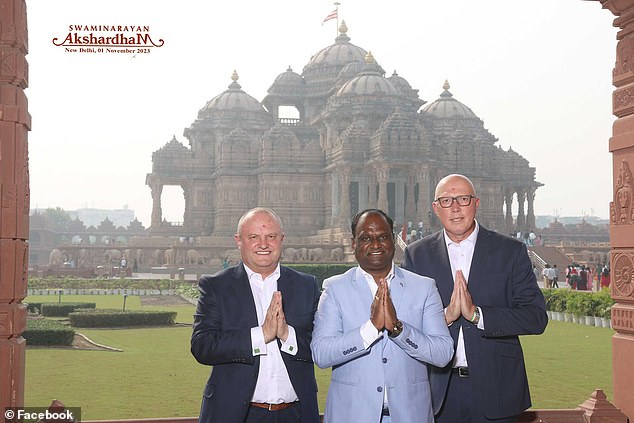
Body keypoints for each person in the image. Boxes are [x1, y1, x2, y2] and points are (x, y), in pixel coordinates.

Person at [401, 174, 547, 423]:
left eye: (463, 199)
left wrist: (477, 315)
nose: (455, 208)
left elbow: (535, 317)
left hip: (497, 389)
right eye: (446, 201)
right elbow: (404, 325)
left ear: (476, 203)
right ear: (436, 208)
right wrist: (445, 316)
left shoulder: (509, 252)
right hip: (437, 392)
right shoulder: (418, 255)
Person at [311, 209, 453, 423]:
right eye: (366, 238)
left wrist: (398, 329)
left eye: (383, 237)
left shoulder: (423, 287)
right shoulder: (335, 288)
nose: (375, 244)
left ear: (394, 241)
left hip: (410, 416)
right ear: (353, 244)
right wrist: (370, 329)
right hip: (352, 416)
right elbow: (321, 354)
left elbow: (443, 354)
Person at [191, 207, 320, 423]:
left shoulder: (306, 285)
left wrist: (287, 335)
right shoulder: (217, 286)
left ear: (281, 239)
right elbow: (202, 346)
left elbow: (321, 347)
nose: (263, 244)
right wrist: (261, 335)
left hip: (296, 414)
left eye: (271, 236)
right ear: (238, 240)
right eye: (253, 237)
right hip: (237, 415)